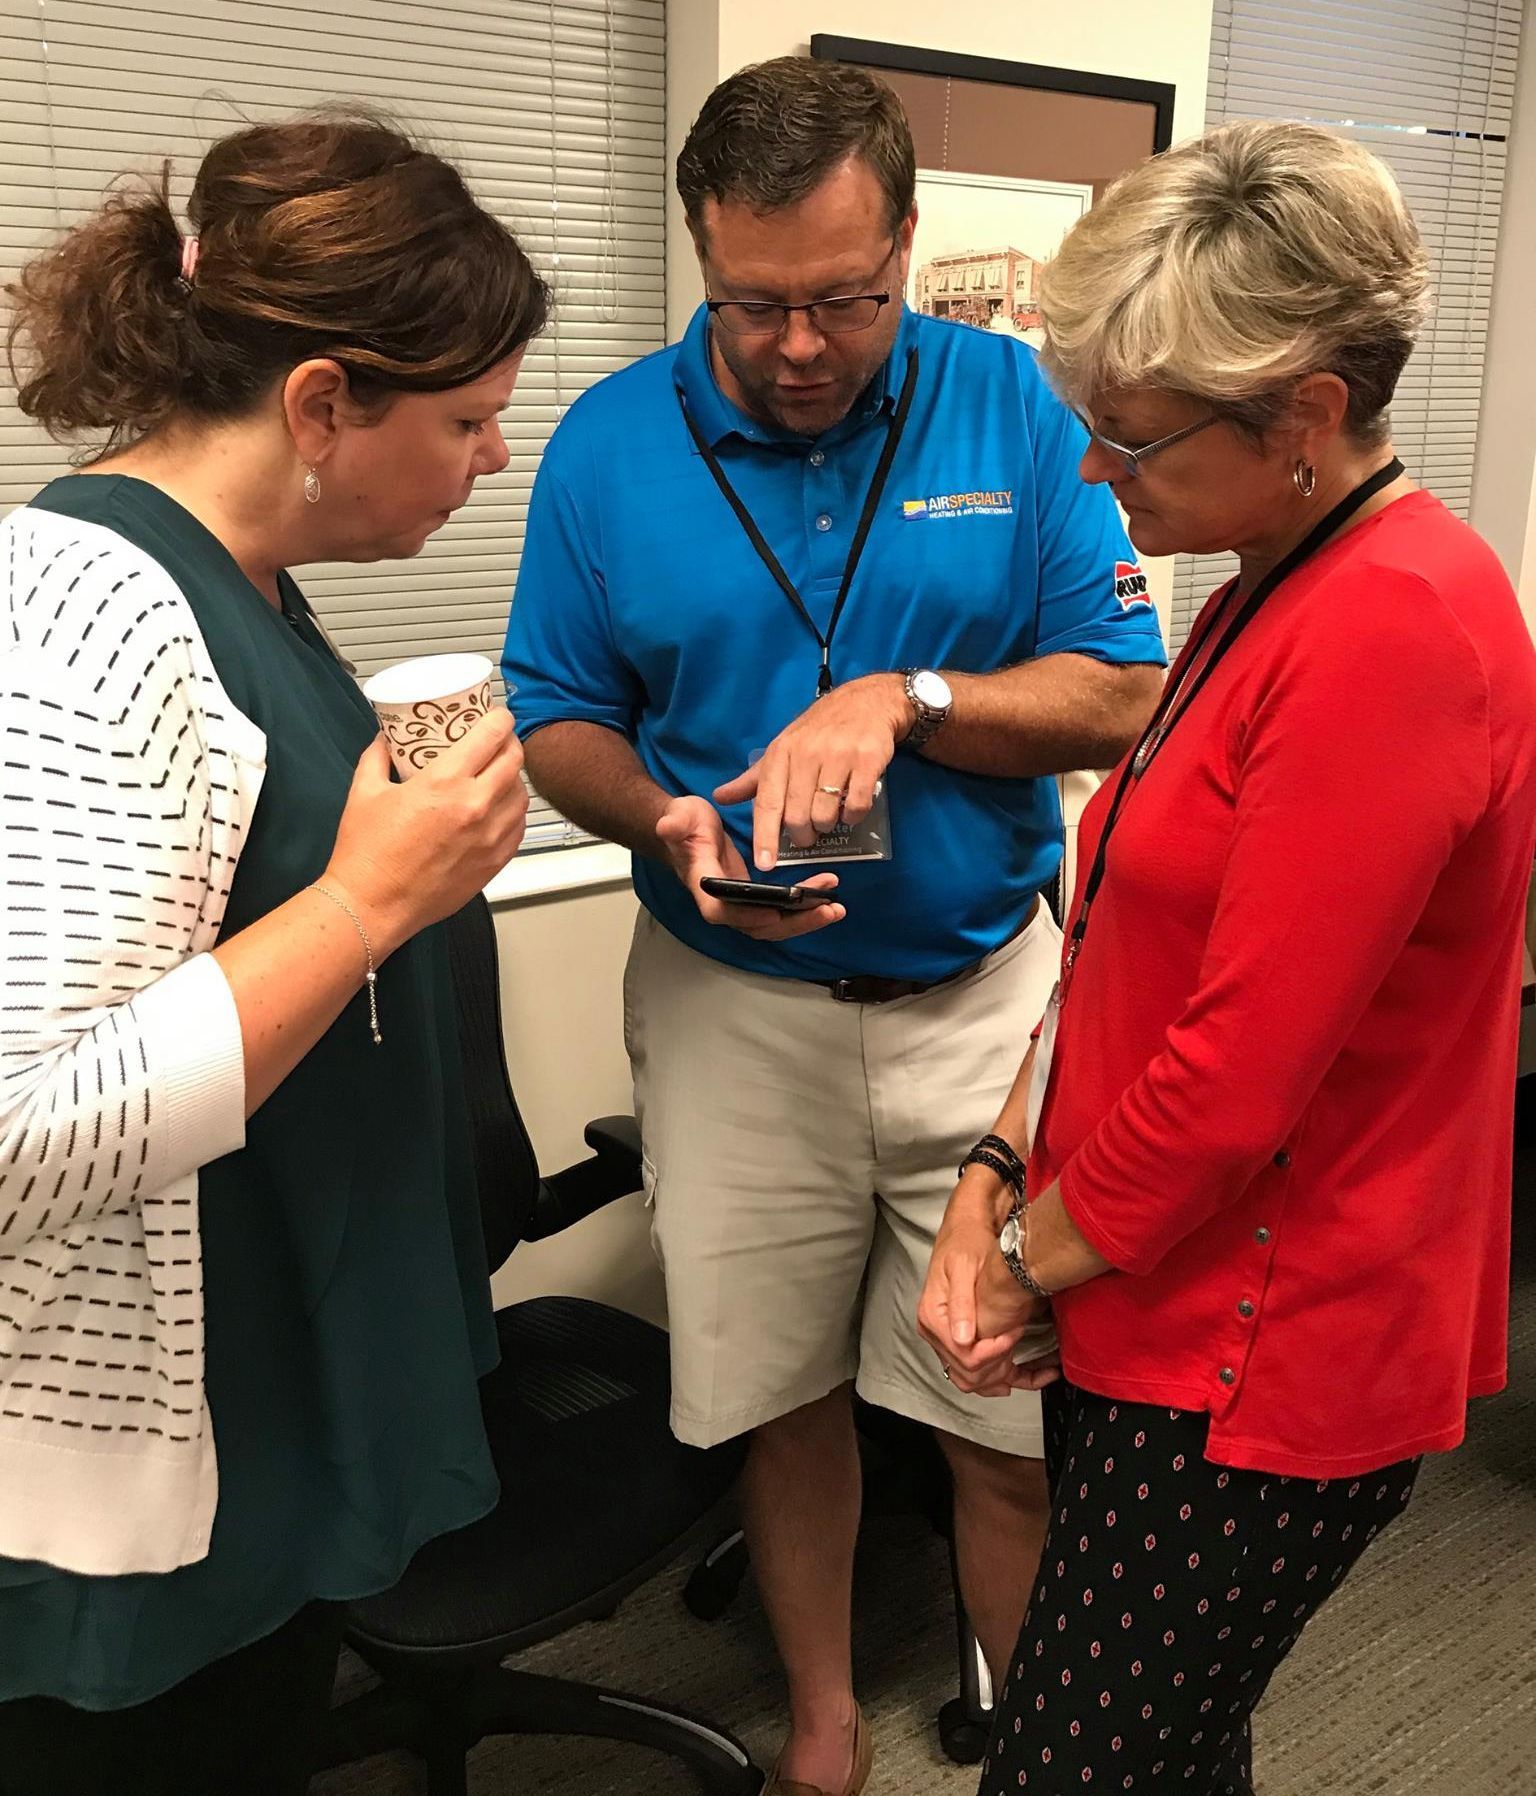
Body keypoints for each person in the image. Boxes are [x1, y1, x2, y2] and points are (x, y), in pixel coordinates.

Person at [503, 56, 1165, 1796]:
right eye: (754, 306)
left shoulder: (1019, 412)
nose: (799, 347)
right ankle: (818, 1724)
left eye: (845, 303)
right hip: (734, 1003)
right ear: (703, 260)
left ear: (908, 246)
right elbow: (559, 708)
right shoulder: (607, 443)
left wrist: (914, 697)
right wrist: (657, 816)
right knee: (780, 1400)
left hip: (978, 994)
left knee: (1000, 1412)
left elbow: (1121, 693)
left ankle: (1038, 1747)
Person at [918, 119, 1536, 1796]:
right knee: (1168, 1752)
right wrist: (995, 1164)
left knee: (1076, 1767)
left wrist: (1014, 1263)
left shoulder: (1397, 626)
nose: (1103, 478)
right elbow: (1122, 931)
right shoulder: (1264, 576)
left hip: (1266, 1340)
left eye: (1133, 441)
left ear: (1306, 415)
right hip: (1156, 1288)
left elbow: (1237, 1070)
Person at [0, 114, 546, 1794]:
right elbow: (19, 1133)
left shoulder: (249, 581)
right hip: (146, 1459)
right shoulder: (84, 614)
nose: (492, 458)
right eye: (465, 419)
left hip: (276, 1388)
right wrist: (372, 902)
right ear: (322, 404)